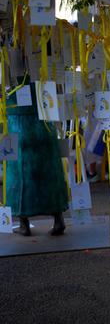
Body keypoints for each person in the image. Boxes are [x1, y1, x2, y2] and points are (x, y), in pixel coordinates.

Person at [6, 81, 69, 236]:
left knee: (16, 173)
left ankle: (23, 223)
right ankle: (58, 219)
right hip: (44, 122)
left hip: (15, 123)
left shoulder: (7, 67)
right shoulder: (41, 67)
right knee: (50, 170)